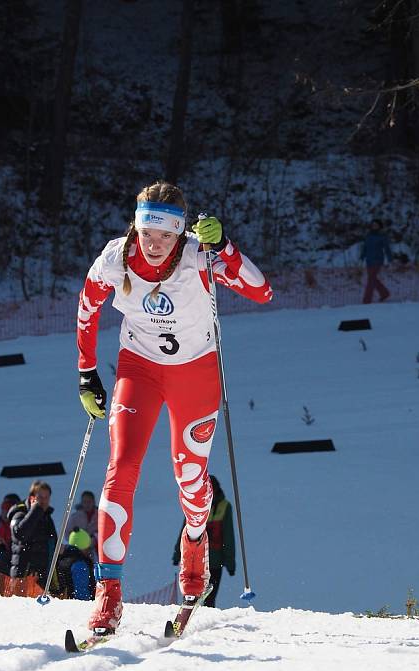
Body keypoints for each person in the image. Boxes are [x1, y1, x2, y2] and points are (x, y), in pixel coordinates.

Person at [76, 180, 272, 633]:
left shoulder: (199, 256)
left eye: (166, 235)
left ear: (181, 232)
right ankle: (109, 595)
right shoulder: (116, 258)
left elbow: (262, 291)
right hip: (139, 370)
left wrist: (224, 246)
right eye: (149, 233)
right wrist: (87, 372)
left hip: (195, 374)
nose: (156, 244)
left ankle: (196, 543)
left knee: (190, 478)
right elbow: (87, 309)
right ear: (137, 227)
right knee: (121, 468)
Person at [172, 475, 235, 608]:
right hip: (205, 559)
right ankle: (194, 614)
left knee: (203, 596)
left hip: (209, 560)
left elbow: (228, 536)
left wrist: (230, 561)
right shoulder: (198, 504)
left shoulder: (222, 506)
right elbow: (185, 530)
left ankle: (198, 617)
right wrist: (177, 553)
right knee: (201, 595)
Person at [9, 480, 57, 588]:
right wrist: (36, 510)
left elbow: (53, 542)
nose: (44, 501)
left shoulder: (47, 517)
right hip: (23, 575)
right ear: (32, 498)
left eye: (46, 497)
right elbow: (19, 534)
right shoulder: (19, 513)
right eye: (40, 497)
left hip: (41, 576)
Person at [57, 527, 96, 601]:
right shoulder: (80, 565)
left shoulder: (62, 559)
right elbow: (81, 593)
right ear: (83, 547)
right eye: (87, 547)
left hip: (64, 602)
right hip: (77, 606)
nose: (89, 551)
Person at [360, 218, 392, 304]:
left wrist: (389, 259)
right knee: (373, 279)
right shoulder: (368, 235)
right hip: (369, 260)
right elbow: (365, 247)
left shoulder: (382, 236)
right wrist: (362, 257)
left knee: (370, 280)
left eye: (376, 224)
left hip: (377, 261)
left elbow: (387, 248)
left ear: (379, 226)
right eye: (373, 224)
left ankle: (366, 301)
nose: (374, 226)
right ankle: (385, 293)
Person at [0, 492, 21, 575]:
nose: (4, 511)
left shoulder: (17, 525)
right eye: (3, 507)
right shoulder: (1, 524)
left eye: (7, 508)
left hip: (9, 568)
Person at [65, 489, 98, 555]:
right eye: (85, 502)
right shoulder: (75, 517)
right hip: (78, 551)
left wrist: (93, 540)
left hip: (96, 551)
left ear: (94, 502)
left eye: (89, 502)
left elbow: (103, 533)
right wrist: (77, 542)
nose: (87, 504)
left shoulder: (100, 516)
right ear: (81, 502)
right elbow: (67, 533)